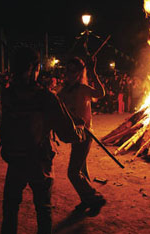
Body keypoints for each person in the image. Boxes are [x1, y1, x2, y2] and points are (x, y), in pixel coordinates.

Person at [0, 47, 85, 234]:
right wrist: (79, 130)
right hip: (39, 162)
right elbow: (67, 134)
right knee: (43, 209)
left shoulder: (7, 94)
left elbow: (4, 127)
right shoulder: (46, 97)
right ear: (34, 67)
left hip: (14, 160)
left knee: (10, 209)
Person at [58, 56, 106, 216]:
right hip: (73, 134)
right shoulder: (64, 91)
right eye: (68, 70)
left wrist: (93, 72)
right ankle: (86, 200)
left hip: (85, 134)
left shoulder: (83, 89)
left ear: (80, 73)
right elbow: (58, 108)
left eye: (74, 71)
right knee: (81, 170)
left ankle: (94, 198)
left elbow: (100, 93)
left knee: (73, 172)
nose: (70, 74)